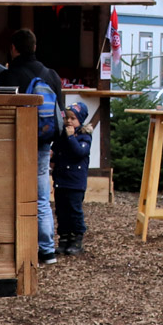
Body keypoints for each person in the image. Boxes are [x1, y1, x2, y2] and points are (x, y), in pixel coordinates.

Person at [0, 28, 64, 264]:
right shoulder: (51, 75)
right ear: (34, 47)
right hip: (42, 143)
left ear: (14, 48)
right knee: (41, 196)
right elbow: (60, 112)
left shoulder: (9, 76)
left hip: (14, 142)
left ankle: (14, 244)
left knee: (10, 191)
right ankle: (47, 250)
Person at [51, 100, 92, 256]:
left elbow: (78, 152)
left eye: (73, 118)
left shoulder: (84, 137)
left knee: (74, 211)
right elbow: (55, 151)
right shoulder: (62, 136)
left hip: (75, 183)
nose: (69, 121)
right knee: (61, 211)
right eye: (67, 118)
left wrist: (70, 137)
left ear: (80, 120)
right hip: (61, 181)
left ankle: (76, 239)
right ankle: (64, 238)